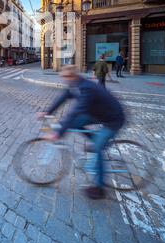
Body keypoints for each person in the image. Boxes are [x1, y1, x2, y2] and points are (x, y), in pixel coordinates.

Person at [37, 65, 126, 200]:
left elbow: (76, 111)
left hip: (113, 119)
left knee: (97, 148)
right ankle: (95, 139)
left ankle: (99, 188)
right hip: (98, 114)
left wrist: (58, 133)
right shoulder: (74, 84)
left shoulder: (87, 88)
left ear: (73, 76)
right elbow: (62, 98)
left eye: (65, 77)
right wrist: (47, 112)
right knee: (75, 123)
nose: (64, 80)